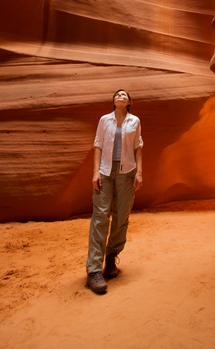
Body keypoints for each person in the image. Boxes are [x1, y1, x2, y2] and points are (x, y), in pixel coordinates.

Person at [86, 89, 143, 294]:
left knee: (121, 217)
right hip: (105, 172)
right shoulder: (105, 120)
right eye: (117, 94)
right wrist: (95, 172)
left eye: (124, 95)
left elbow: (138, 147)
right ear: (113, 101)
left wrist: (139, 172)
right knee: (100, 216)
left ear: (129, 102)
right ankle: (94, 270)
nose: (120, 96)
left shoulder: (134, 121)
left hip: (126, 172)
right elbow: (98, 146)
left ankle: (111, 258)